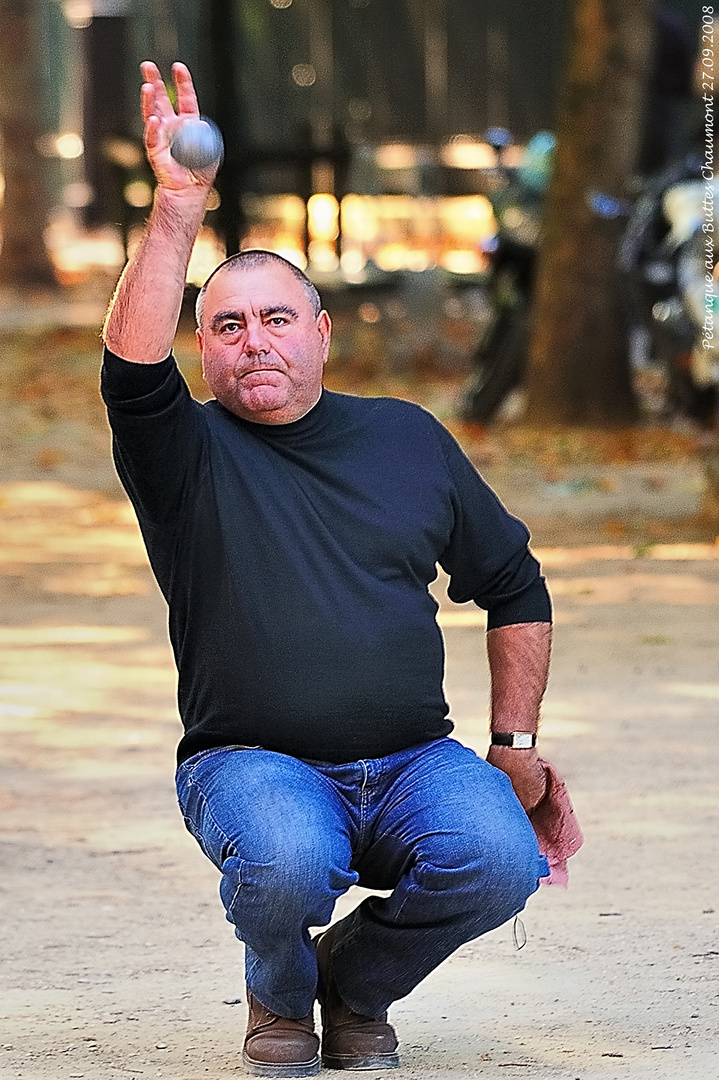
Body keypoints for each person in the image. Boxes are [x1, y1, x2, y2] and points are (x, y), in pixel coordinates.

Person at [101, 62, 581, 1078]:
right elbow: (130, 369)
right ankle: (280, 1002)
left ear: (321, 333)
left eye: (277, 318)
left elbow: (514, 584)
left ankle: (351, 986)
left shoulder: (406, 440)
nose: (252, 341)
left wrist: (515, 745)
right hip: (251, 765)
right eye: (226, 326)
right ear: (204, 348)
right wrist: (178, 209)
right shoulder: (181, 452)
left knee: (498, 856)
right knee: (280, 861)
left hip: (413, 761)